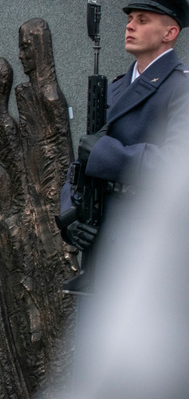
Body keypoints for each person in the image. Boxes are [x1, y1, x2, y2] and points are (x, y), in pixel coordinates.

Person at [62, 0, 189, 255]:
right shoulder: (115, 88)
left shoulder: (181, 88)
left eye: (142, 20)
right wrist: (72, 217)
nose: (130, 26)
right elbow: (82, 162)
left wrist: (105, 153)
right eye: (130, 19)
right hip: (103, 236)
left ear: (170, 33)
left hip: (151, 243)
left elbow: (177, 164)